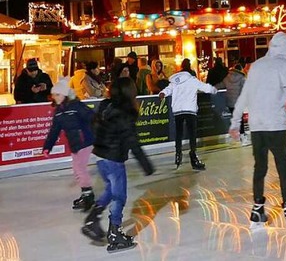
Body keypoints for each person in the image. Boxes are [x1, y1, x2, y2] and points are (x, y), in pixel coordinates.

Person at [228, 32, 286, 236]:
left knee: (260, 168)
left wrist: (235, 121)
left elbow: (245, 95)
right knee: (284, 168)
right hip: (275, 124)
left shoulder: (257, 66)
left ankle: (257, 212)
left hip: (257, 126)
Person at [81, 77, 155, 253]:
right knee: (119, 196)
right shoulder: (126, 111)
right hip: (113, 159)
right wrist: (146, 165)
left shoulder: (106, 105)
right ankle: (115, 233)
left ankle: (93, 218)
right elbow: (132, 141)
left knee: (110, 190)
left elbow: (93, 124)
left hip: (100, 155)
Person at [42, 77, 96, 211]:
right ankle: (86, 194)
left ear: (65, 94)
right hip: (75, 143)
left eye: (58, 94)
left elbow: (92, 117)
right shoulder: (59, 112)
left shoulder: (76, 106)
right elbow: (54, 131)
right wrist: (47, 147)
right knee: (78, 169)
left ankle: (88, 195)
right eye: (54, 95)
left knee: (79, 169)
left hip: (84, 141)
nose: (55, 97)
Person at [159, 58, 217, 170]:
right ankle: (193, 157)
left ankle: (178, 154)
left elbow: (167, 89)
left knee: (179, 133)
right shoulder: (192, 80)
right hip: (190, 110)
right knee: (192, 134)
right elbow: (205, 88)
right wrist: (214, 90)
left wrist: (162, 93)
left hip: (178, 111)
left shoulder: (175, 81)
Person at [220, 63, 248, 145]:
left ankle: (233, 136)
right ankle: (242, 137)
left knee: (234, 119)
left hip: (230, 102)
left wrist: (211, 88)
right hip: (238, 102)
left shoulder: (227, 77)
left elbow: (221, 85)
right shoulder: (242, 78)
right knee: (240, 120)